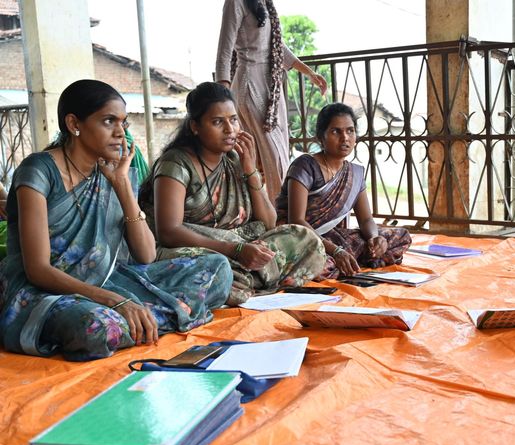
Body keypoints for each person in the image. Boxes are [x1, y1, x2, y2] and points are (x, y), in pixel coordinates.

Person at [0, 80, 233, 361]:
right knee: (97, 327)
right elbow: (38, 270)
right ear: (74, 123)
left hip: (110, 280)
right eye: (109, 121)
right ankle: (151, 317)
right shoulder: (38, 171)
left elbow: (145, 254)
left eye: (123, 123)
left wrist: (122, 185)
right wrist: (115, 301)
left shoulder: (113, 172)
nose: (120, 133)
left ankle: (139, 321)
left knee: (217, 268)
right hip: (47, 291)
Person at [138, 82, 325, 306]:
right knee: (216, 267)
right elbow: (168, 232)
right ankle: (241, 280)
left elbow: (268, 222)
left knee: (307, 240)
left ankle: (240, 282)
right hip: (194, 251)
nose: (230, 129)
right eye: (218, 122)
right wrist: (235, 250)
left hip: (239, 247)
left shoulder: (234, 159)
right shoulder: (176, 163)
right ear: (195, 126)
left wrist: (250, 171)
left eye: (234, 119)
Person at [275, 103, 412, 279]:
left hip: (333, 239)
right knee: (320, 264)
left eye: (350, 131)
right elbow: (297, 221)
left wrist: (375, 238)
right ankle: (349, 260)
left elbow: (366, 219)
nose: (345, 138)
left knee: (399, 236)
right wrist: (336, 251)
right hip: (301, 239)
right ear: (320, 137)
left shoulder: (354, 173)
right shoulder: (305, 166)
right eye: (335, 132)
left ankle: (357, 257)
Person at [215, 0, 328, 201]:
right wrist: (222, 99)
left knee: (260, 156)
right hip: (250, 85)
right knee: (274, 157)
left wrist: (309, 73)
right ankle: (284, 216)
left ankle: (265, 213)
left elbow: (276, 47)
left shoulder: (265, 3)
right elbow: (224, 49)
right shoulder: (236, 2)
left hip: (272, 88)